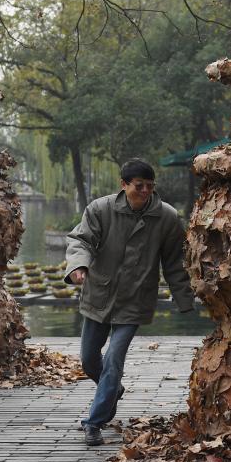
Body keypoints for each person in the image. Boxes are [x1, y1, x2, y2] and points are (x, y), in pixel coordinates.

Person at [64, 158, 195, 446]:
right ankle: (112, 391)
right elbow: (81, 240)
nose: (146, 191)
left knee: (113, 360)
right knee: (89, 360)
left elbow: (175, 263)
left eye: (150, 186)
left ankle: (94, 422)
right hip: (99, 294)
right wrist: (78, 266)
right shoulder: (100, 209)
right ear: (124, 185)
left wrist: (184, 300)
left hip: (136, 300)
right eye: (139, 186)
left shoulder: (167, 218)